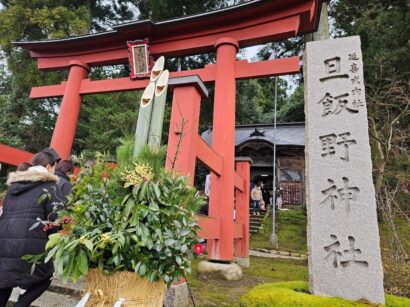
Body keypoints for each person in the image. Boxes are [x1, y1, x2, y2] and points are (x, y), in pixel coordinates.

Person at [0, 151, 60, 307]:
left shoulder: (13, 187)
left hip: (5, 242)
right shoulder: (49, 186)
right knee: (46, 276)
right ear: (49, 166)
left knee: (5, 281)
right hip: (32, 244)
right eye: (54, 167)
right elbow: (53, 220)